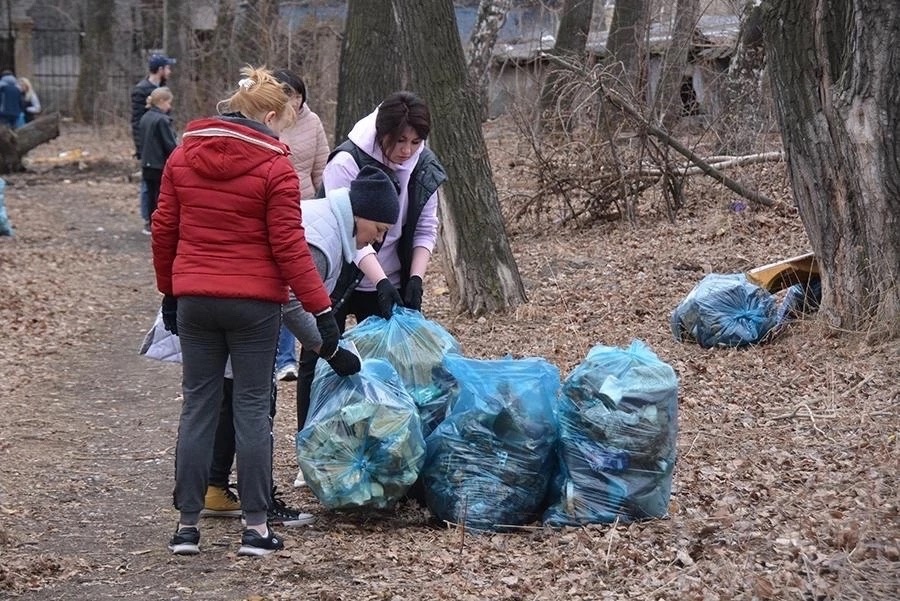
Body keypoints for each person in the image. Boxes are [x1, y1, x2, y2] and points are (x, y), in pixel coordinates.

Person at [151, 65, 344, 557]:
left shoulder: (182, 156)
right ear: (273, 114)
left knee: (198, 405)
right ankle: (256, 528)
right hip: (254, 304)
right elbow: (289, 247)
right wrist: (321, 311)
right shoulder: (275, 166)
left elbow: (164, 229)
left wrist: (170, 293)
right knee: (252, 408)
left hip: (195, 298)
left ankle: (187, 527)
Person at [292, 91, 446, 488]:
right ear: (382, 134)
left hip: (393, 278)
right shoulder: (347, 161)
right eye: (399, 141)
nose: (406, 150)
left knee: (391, 363)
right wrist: (377, 280)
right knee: (322, 356)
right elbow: (351, 233)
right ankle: (314, 445)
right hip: (341, 275)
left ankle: (386, 446)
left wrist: (414, 279)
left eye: (415, 142)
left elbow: (426, 228)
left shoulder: (424, 165)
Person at [271, 68, 330, 382]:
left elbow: (322, 168)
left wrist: (326, 207)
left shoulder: (314, 122)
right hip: (274, 209)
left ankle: (304, 350)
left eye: (294, 94)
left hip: (306, 211)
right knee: (280, 285)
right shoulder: (268, 121)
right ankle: (283, 357)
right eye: (284, 95)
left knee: (296, 286)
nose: (290, 101)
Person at [131, 53, 175, 234]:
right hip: (150, 149)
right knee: (150, 189)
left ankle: (152, 220)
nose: (170, 71)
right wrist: (141, 148)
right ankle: (149, 220)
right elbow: (136, 121)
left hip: (157, 148)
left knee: (153, 188)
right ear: (160, 70)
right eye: (167, 68)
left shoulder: (163, 89)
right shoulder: (141, 90)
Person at [137, 87, 177, 229]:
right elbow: (170, 144)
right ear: (161, 101)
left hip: (147, 162)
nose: (169, 106)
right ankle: (158, 224)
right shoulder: (162, 120)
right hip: (159, 164)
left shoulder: (145, 117)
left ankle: (150, 222)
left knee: (150, 193)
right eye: (168, 103)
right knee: (160, 196)